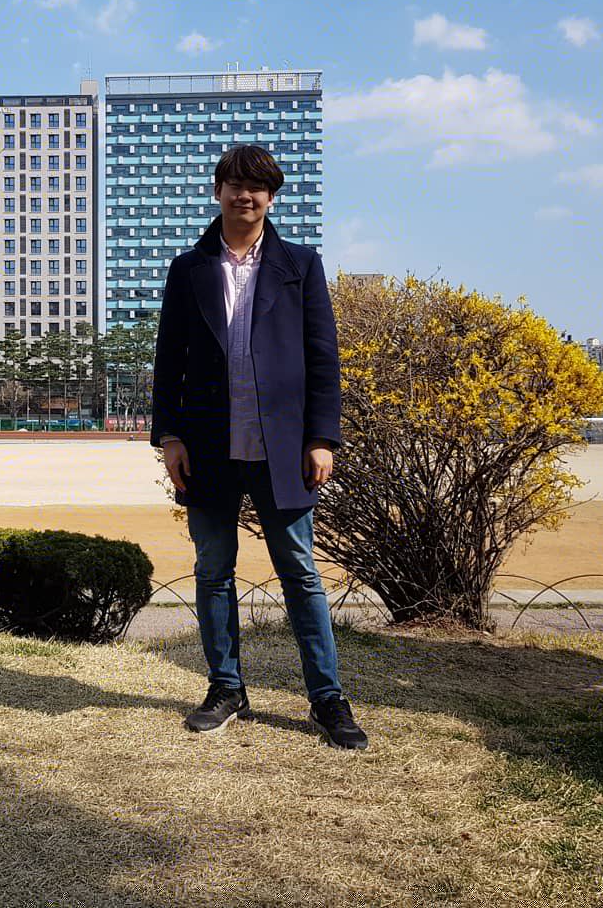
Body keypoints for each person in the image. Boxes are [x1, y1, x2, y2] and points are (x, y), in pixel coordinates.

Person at [150, 144, 368, 750]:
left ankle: (327, 698)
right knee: (212, 571)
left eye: (257, 187)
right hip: (208, 447)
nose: (244, 195)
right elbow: (168, 362)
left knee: (300, 573)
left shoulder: (301, 265)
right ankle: (226, 688)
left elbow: (323, 359)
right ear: (218, 190)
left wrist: (322, 437)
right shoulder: (188, 268)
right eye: (234, 184)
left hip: (285, 449)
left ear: (271, 197)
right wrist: (170, 436)